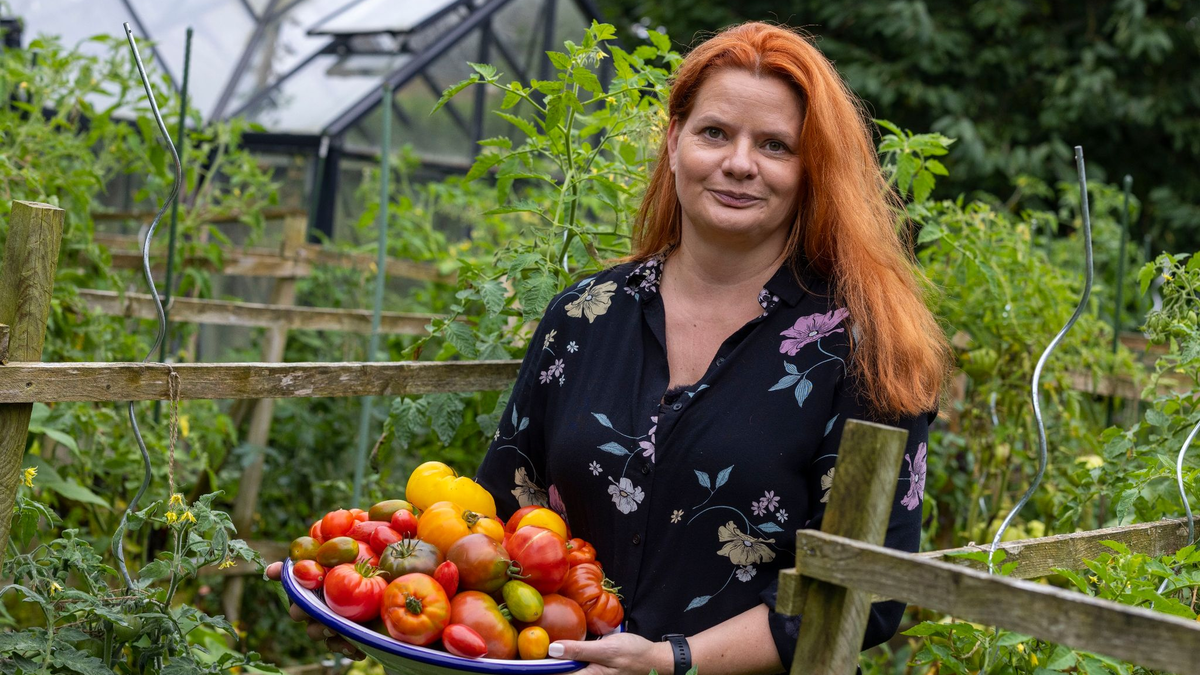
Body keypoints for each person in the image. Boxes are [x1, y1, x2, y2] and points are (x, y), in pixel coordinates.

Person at [267, 20, 950, 675]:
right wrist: (357, 584)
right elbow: (499, 529)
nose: (740, 164)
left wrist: (668, 660)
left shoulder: (857, 347)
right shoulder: (585, 316)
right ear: (676, 140)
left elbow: (868, 590)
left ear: (812, 168)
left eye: (775, 145)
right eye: (715, 132)